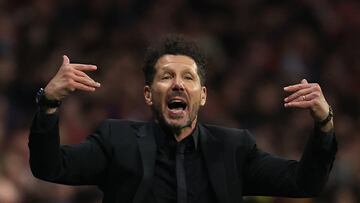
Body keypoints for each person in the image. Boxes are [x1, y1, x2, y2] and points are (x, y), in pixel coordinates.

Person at [29, 35, 337, 203]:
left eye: (187, 77)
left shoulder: (233, 148)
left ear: (202, 95)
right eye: (166, 76)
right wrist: (50, 102)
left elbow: (304, 182)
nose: (177, 84)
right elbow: (50, 167)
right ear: (149, 94)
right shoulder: (116, 140)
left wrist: (324, 125)